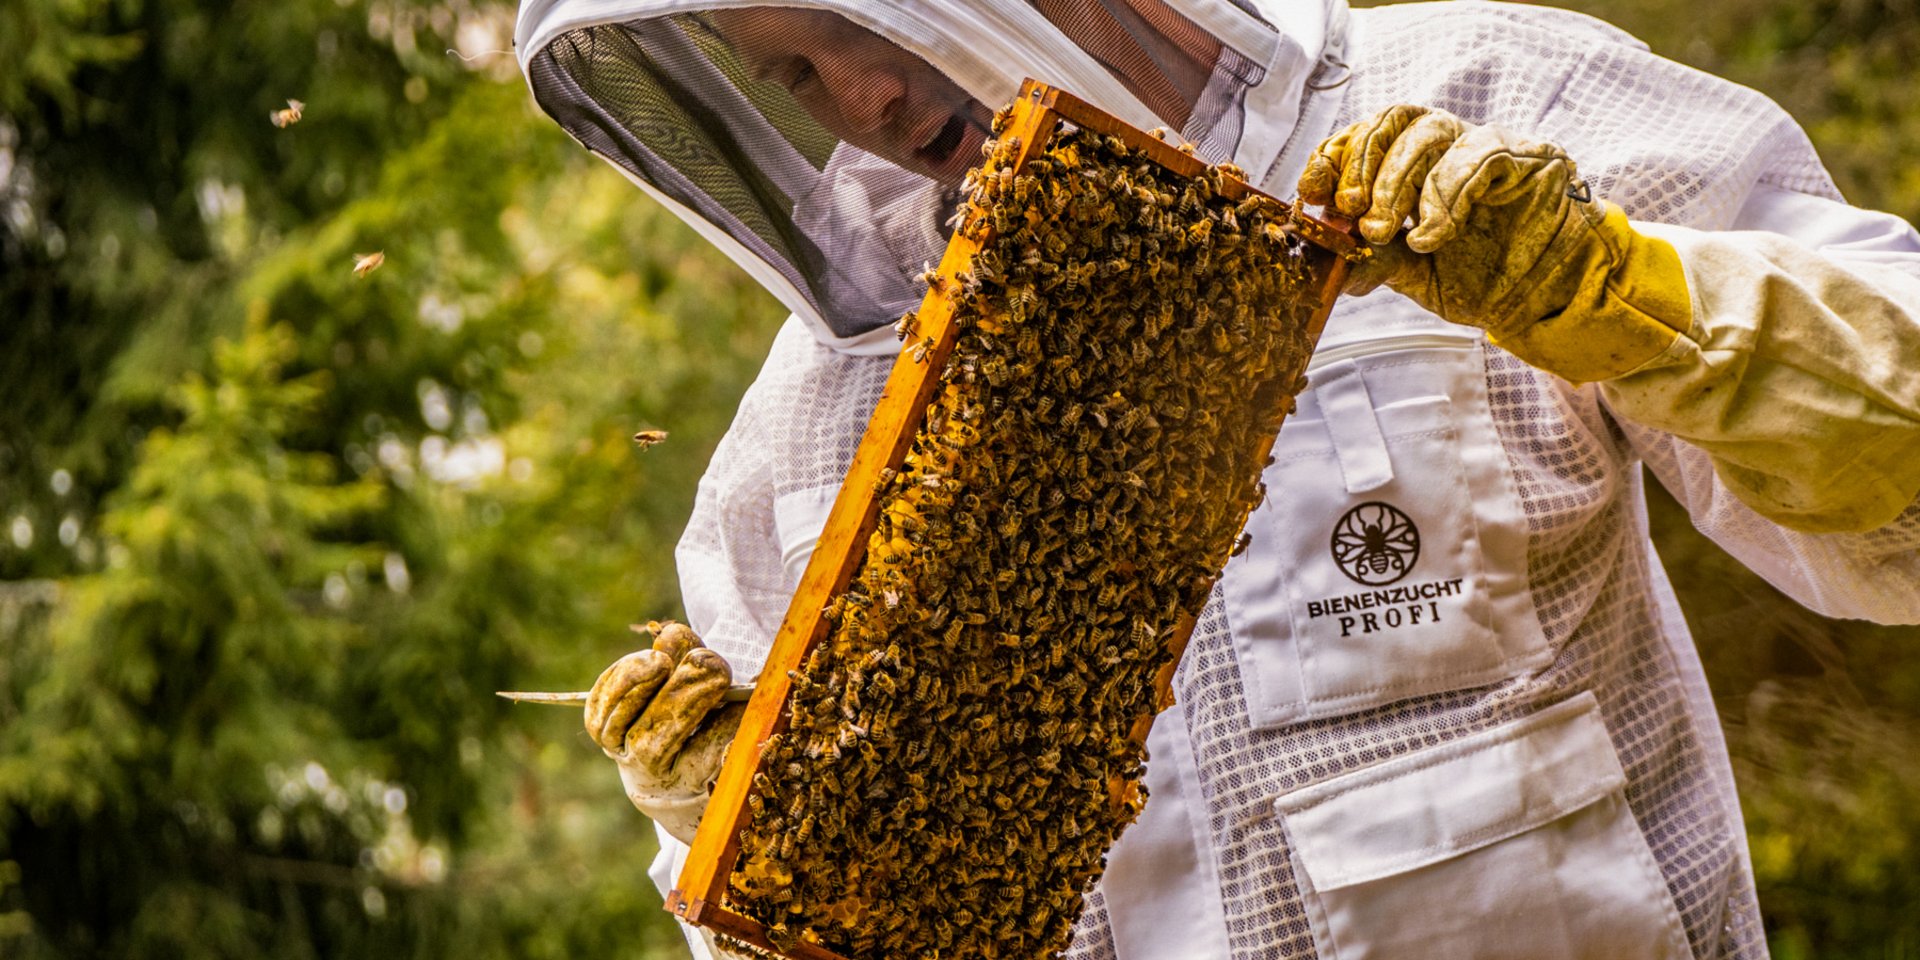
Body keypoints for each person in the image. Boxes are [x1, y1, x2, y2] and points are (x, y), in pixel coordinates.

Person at [517, 1, 1920, 957]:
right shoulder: (813, 420)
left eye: (867, 18)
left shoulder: (1491, 96)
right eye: (799, 77)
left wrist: (1628, 296)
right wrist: (755, 827)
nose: (869, 101)